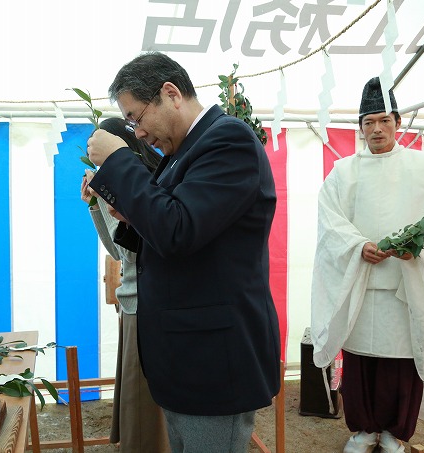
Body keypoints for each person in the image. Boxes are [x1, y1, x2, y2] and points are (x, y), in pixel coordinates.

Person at [86, 52, 281, 453]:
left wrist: (120, 161)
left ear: (170, 93)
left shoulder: (229, 140)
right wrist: (127, 214)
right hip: (187, 358)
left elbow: (178, 231)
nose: (137, 133)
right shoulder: (183, 153)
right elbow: (169, 232)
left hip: (215, 362)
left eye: (136, 118)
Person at [311, 77, 424, 453]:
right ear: (359, 127)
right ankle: (363, 430)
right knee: (360, 363)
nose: (377, 129)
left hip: (406, 288)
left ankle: (394, 433)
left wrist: (415, 250)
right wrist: (358, 246)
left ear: (398, 123)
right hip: (360, 285)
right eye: (369, 122)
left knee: (401, 366)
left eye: (384, 121)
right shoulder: (343, 173)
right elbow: (330, 223)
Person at [81, 117, 169, 452]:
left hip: (145, 304)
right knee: (140, 400)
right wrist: (97, 203)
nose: (100, 167)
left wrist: (107, 197)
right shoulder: (134, 184)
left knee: (145, 402)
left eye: (103, 160)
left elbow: (135, 252)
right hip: (134, 302)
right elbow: (117, 250)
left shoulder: (144, 185)